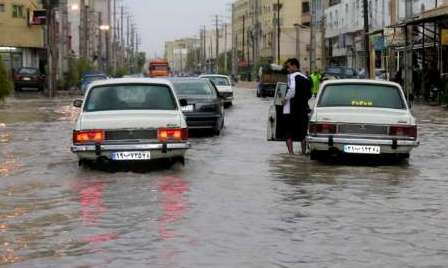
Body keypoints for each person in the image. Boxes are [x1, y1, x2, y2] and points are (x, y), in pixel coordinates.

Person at [282, 58, 312, 155]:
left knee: (288, 133)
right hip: (303, 109)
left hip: (291, 110)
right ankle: (303, 153)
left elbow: (292, 90)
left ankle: (291, 154)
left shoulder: (291, 77)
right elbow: (310, 95)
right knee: (303, 133)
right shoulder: (306, 78)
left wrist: (285, 99)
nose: (287, 69)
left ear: (294, 66)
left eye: (288, 67)